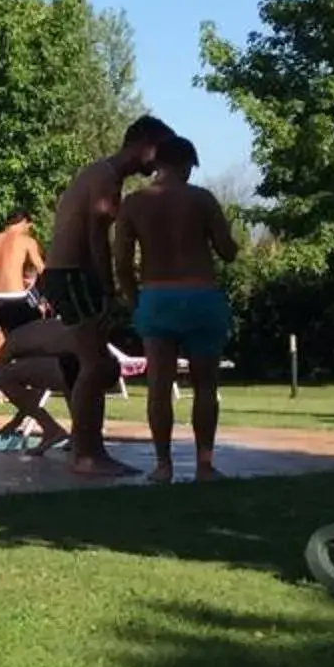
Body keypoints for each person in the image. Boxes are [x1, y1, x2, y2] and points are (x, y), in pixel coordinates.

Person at [40, 114, 177, 476]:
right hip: (72, 275)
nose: (162, 160)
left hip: (67, 274)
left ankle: (88, 449)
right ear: (143, 143)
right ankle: (86, 455)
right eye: (160, 150)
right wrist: (107, 287)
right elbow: (96, 237)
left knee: (94, 363)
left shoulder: (99, 173)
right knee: (96, 364)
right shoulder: (106, 178)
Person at [112, 135, 239, 483]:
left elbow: (122, 263)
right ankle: (205, 464)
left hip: (156, 297)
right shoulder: (202, 199)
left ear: (157, 164)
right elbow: (228, 251)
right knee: (205, 386)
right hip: (200, 295)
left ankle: (163, 464)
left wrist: (135, 301)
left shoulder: (134, 203)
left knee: (158, 386)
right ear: (186, 164)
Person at [0, 312, 77, 449]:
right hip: (92, 368)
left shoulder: (15, 338)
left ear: (6, 329)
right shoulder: (46, 329)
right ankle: (79, 436)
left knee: (3, 376)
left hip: (71, 370)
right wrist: (16, 421)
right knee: (71, 378)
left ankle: (52, 429)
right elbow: (39, 389)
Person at [0, 208, 46, 337]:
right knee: (25, 341)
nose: (29, 231)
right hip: (16, 298)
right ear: (25, 222)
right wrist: (43, 299)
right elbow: (43, 271)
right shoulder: (27, 241)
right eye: (29, 227)